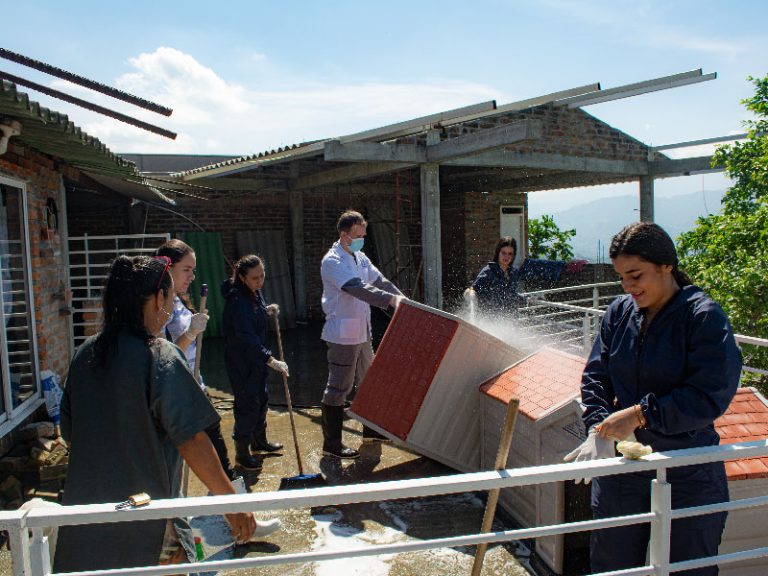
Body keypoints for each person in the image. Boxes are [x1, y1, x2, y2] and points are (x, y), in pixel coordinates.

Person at [54, 255, 279, 572]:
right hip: (146, 517)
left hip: (86, 521)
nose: (172, 306)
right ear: (158, 298)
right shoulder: (158, 356)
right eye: (171, 298)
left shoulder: (84, 355)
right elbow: (192, 440)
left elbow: (70, 432)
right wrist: (232, 506)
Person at [564, 222, 742, 575]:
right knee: (613, 567)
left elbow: (708, 395)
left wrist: (639, 415)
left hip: (688, 469)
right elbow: (596, 376)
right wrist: (598, 427)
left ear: (666, 266)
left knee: (690, 569)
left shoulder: (703, 317)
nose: (628, 287)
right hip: (623, 470)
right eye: (621, 278)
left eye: (636, 276)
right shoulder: (619, 312)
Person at [320, 210, 404, 459]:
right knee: (339, 387)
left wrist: (403, 300)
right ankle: (332, 445)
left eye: (363, 235)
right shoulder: (332, 261)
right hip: (343, 334)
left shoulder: (360, 257)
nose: (361, 240)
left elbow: (380, 281)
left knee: (369, 381)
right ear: (343, 235)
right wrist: (390, 301)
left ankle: (371, 431)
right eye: (358, 236)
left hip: (362, 331)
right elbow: (357, 288)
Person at [156, 239, 235, 480]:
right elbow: (163, 356)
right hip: (178, 390)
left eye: (193, 270)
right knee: (198, 452)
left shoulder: (178, 298)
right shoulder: (159, 305)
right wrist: (190, 333)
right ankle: (231, 497)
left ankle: (232, 497)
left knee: (217, 449)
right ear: (167, 268)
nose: (192, 276)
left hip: (194, 383)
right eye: (186, 270)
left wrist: (195, 324)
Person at [221, 254, 287, 472]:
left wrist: (267, 310)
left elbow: (255, 312)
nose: (260, 281)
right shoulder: (237, 302)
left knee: (262, 399)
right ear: (242, 278)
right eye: (254, 278)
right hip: (242, 362)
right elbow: (246, 337)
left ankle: (259, 441)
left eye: (262, 276)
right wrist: (270, 359)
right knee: (247, 405)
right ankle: (242, 453)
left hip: (255, 359)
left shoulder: (253, 292)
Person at [464, 236, 524, 314]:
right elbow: (473, 289)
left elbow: (512, 295)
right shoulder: (489, 271)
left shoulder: (513, 273)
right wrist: (471, 294)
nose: (506, 257)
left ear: (513, 256)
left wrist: (528, 300)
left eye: (510, 254)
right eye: (503, 253)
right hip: (489, 318)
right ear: (498, 252)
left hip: (511, 319)